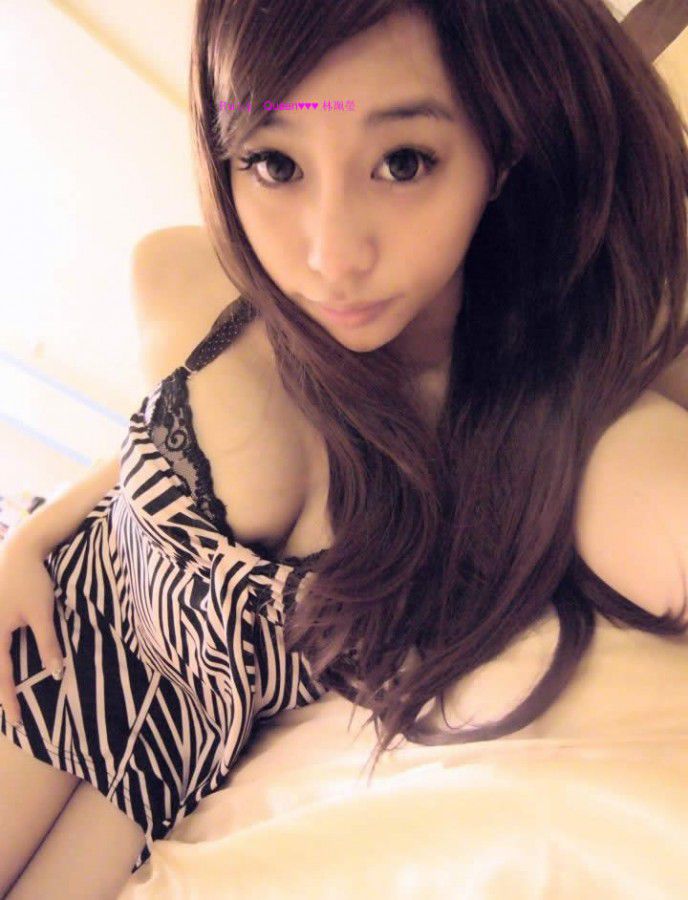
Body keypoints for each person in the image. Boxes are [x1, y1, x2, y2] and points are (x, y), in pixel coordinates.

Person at [1, 0, 688, 895]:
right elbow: (148, 455)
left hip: (162, 756)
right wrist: (30, 538)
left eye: (403, 162)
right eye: (275, 162)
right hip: (46, 631)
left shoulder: (539, 427)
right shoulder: (186, 278)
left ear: (503, 155)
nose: (331, 255)